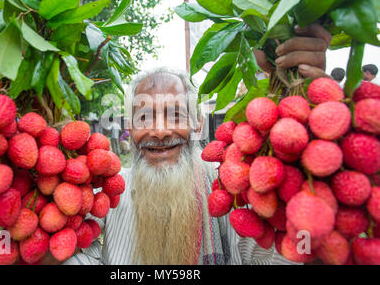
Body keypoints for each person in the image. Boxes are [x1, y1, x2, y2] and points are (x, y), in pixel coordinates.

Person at [53, 24, 330, 265]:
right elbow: (70, 253)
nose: (160, 132)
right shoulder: (106, 194)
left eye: (175, 114)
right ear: (129, 128)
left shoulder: (234, 191)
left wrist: (310, 103)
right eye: (144, 117)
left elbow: (285, 257)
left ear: (198, 123)